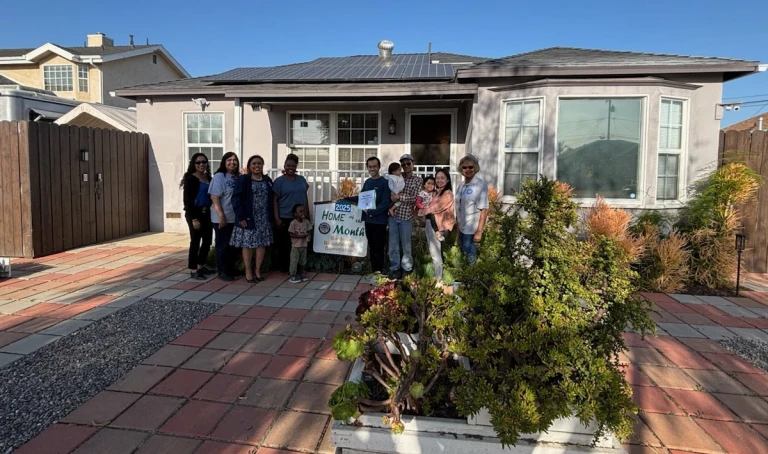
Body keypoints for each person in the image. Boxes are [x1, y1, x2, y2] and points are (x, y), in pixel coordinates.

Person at [231, 155, 274, 283]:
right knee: (247, 245)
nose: (257, 166)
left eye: (259, 163)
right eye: (254, 163)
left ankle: (258, 270)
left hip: (263, 217)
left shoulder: (267, 180)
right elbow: (236, 198)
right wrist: (241, 216)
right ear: (249, 166)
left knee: (261, 244)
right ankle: (248, 270)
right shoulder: (244, 179)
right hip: (248, 217)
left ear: (262, 165)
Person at [345, 156, 391, 274]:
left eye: (374, 166)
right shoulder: (368, 182)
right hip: (368, 221)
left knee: (379, 249)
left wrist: (371, 212)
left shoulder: (384, 183)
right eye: (370, 167)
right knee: (372, 248)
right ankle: (374, 272)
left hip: (379, 222)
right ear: (367, 168)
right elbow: (361, 198)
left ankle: (379, 274)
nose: (372, 169)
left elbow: (386, 203)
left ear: (379, 167)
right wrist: (346, 198)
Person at [272, 154, 309, 274]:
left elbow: (305, 197)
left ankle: (297, 267)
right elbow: (274, 200)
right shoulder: (279, 181)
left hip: (299, 218)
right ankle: (286, 269)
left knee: (299, 245)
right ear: (284, 166)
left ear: (296, 166)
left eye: (293, 166)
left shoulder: (301, 180)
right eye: (288, 165)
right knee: (285, 245)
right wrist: (277, 218)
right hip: (285, 217)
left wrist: (307, 214)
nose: (291, 168)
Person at [388, 154, 422, 279]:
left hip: (406, 217)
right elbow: (388, 192)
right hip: (393, 216)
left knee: (406, 245)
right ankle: (395, 268)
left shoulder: (417, 180)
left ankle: (407, 269)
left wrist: (399, 197)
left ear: (413, 164)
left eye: (408, 163)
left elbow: (415, 198)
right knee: (393, 245)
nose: (406, 166)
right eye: (403, 164)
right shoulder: (396, 177)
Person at [181, 153, 214, 280]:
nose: (201, 164)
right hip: (195, 213)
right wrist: (194, 218)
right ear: (193, 164)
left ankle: (201, 265)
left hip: (207, 212)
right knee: (195, 241)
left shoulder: (208, 177)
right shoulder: (191, 179)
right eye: (198, 162)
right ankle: (194, 269)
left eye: (204, 162)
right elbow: (187, 201)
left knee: (207, 241)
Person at [208, 152, 240, 281]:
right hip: (222, 218)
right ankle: (222, 271)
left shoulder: (237, 177)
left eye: (234, 160)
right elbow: (215, 198)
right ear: (224, 162)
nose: (232, 162)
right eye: (229, 160)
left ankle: (230, 269)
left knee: (233, 246)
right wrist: (221, 216)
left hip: (234, 218)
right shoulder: (219, 176)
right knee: (222, 245)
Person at [421, 168, 455, 283]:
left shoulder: (447, 193)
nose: (439, 180)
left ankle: (438, 280)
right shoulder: (435, 193)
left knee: (435, 253)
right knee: (435, 252)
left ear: (447, 180)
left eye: (442, 178)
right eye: (437, 178)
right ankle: (438, 276)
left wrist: (422, 211)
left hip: (439, 226)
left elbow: (435, 208)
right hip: (430, 223)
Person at [455, 155, 489, 263]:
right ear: (461, 169)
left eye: (470, 167)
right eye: (464, 167)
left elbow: (484, 210)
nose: (467, 169)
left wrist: (479, 231)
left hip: (472, 230)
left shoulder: (480, 185)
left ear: (476, 168)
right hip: (462, 228)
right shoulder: (461, 186)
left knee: (470, 260)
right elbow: (459, 207)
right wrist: (458, 226)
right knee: (463, 257)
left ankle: (472, 275)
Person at [288, 204, 313, 284]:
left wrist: (308, 236)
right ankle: (292, 275)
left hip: (304, 245)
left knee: (303, 260)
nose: (303, 213)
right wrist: (300, 236)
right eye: (300, 212)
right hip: (296, 246)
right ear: (295, 214)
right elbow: (291, 234)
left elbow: (309, 230)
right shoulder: (293, 223)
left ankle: (302, 273)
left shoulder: (306, 222)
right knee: (294, 261)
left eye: (304, 211)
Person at [416, 176, 442, 241]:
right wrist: (423, 207)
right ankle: (437, 232)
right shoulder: (422, 193)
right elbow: (418, 203)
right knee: (432, 217)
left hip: (430, 210)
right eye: (428, 183)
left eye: (432, 184)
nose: (430, 185)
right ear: (424, 185)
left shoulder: (433, 193)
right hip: (423, 211)